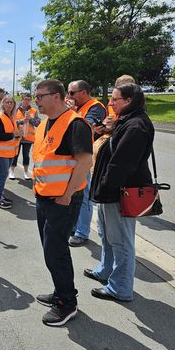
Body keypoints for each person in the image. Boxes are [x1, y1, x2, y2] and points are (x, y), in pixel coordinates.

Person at [85, 83, 154, 303]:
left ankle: (121, 288)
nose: (110, 103)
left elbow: (121, 165)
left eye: (115, 100)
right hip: (111, 192)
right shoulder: (125, 121)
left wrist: (104, 188)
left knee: (121, 241)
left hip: (119, 193)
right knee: (107, 235)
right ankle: (105, 271)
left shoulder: (135, 126)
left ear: (129, 101)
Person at [32, 79, 93, 326]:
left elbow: (84, 162)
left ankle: (67, 303)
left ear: (56, 97)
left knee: (55, 252)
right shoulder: (44, 125)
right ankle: (60, 292)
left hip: (63, 200)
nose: (36, 101)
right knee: (51, 250)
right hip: (44, 197)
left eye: (40, 96)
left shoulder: (75, 124)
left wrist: (67, 195)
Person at [66, 80, 107, 247]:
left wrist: (72, 112)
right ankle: (74, 227)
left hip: (85, 159)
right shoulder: (79, 108)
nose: (68, 96)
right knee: (73, 195)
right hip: (73, 157)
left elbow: (86, 127)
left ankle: (82, 233)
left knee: (84, 197)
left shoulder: (95, 107)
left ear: (83, 92)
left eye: (71, 93)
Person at [0, 95, 20, 209]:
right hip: (1, 152)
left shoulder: (11, 117)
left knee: (3, 174)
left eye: (11, 103)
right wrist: (13, 135)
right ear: (3, 104)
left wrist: (17, 136)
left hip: (9, 152)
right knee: (3, 175)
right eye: (7, 102)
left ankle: (1, 195)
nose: (9, 104)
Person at [9, 93, 40, 180]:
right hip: (18, 136)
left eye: (29, 99)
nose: (27, 101)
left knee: (26, 155)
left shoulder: (34, 111)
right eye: (25, 99)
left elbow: (38, 123)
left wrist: (31, 119)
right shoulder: (15, 110)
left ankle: (26, 172)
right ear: (21, 100)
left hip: (28, 138)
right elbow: (12, 122)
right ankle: (11, 172)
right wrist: (22, 121)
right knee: (15, 154)